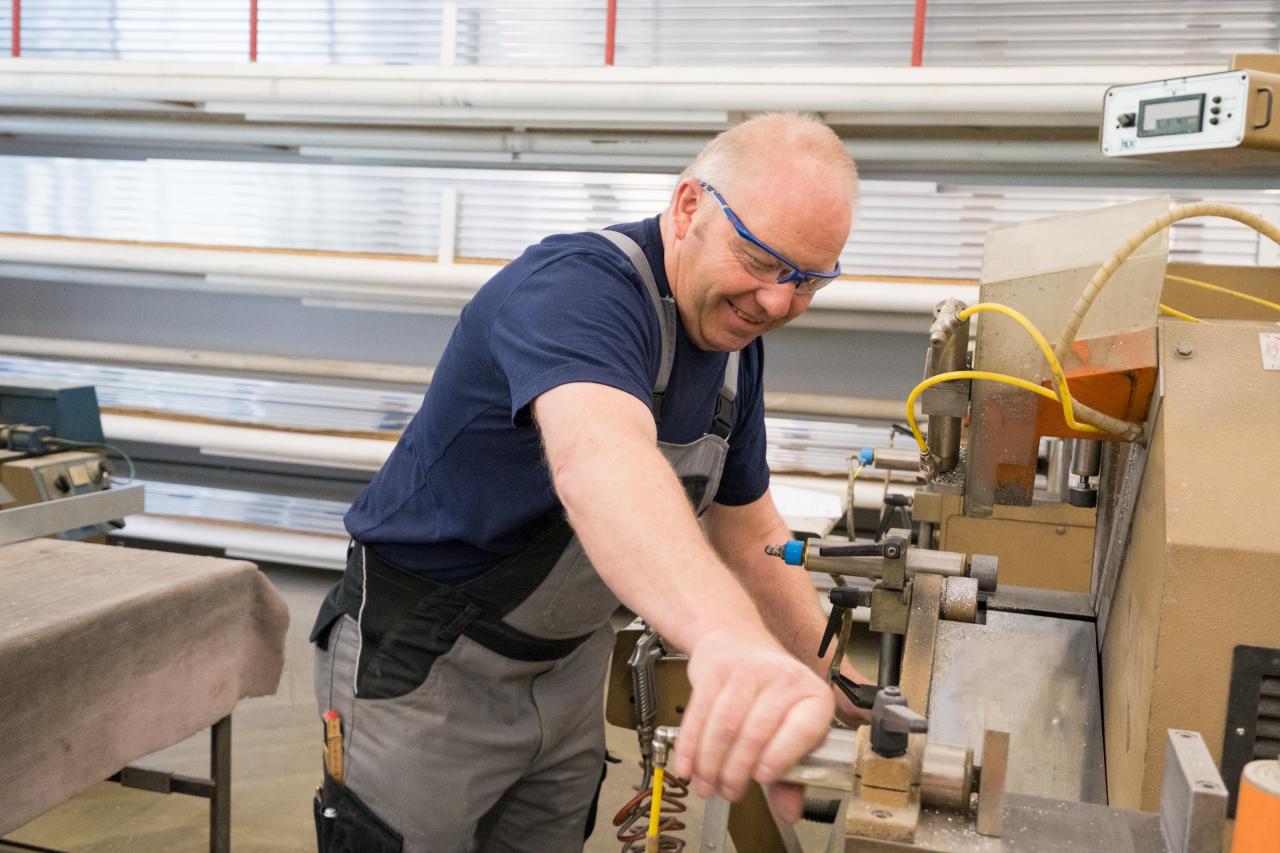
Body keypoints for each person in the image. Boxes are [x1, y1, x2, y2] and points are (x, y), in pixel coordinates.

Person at [310, 111, 867, 853]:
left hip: (567, 663)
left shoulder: (736, 348)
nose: (777, 303)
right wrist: (731, 639)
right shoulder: (577, 290)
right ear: (689, 207)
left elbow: (748, 526)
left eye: (807, 279)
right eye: (762, 260)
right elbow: (601, 462)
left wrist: (838, 677)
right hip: (430, 662)